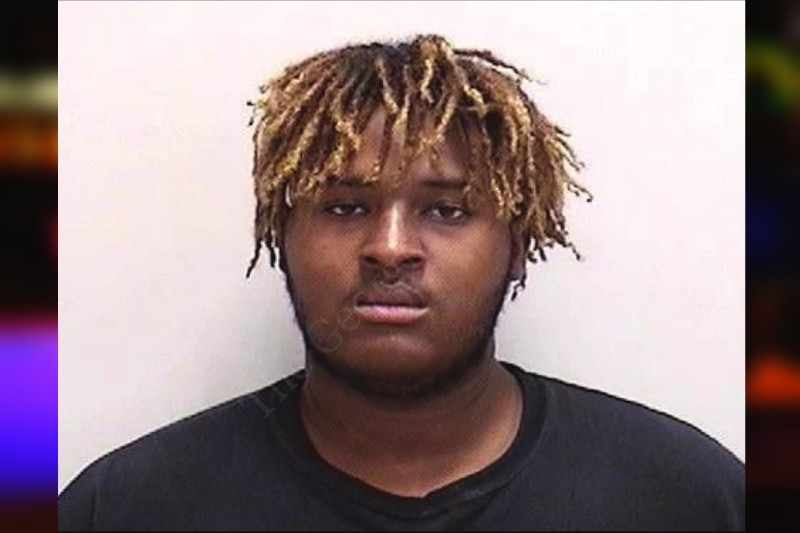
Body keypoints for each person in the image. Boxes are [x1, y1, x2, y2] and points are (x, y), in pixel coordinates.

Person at [58, 34, 744, 531]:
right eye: (344, 207)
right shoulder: (129, 508)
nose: (390, 248)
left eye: (446, 211)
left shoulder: (686, 497)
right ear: (281, 236)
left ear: (516, 245)